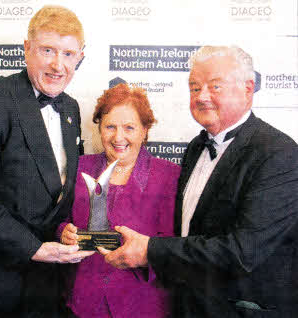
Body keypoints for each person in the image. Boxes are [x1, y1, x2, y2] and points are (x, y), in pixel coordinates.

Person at [99, 46, 298, 317]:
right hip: (188, 307)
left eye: (215, 87)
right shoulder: (196, 147)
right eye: (194, 88)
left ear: (248, 89)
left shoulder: (278, 153)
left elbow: (242, 253)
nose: (202, 97)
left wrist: (150, 250)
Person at [0, 5, 94, 317]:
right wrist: (36, 249)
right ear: (26, 49)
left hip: (42, 283)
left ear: (80, 57)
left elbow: (58, 194)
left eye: (68, 54)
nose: (58, 64)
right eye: (47, 50)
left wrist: (65, 231)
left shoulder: (71, 108)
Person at [57, 83, 181, 317]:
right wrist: (63, 231)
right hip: (83, 303)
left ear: (145, 130)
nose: (118, 137)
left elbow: (175, 246)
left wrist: (145, 258)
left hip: (141, 303)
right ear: (100, 129)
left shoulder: (170, 176)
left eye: (129, 128)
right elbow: (59, 219)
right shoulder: (79, 167)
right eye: (110, 126)